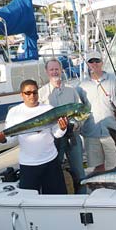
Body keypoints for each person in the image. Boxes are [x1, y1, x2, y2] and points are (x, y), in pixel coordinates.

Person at [0, 79, 68, 194]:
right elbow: (11, 139)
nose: (32, 96)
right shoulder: (14, 112)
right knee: (28, 199)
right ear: (21, 95)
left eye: (35, 92)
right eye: (28, 93)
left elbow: (56, 134)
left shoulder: (48, 109)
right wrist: (3, 139)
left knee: (56, 197)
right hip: (28, 164)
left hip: (50, 161)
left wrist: (62, 128)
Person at [77, 51, 116, 172]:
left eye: (97, 60)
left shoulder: (114, 79)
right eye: (91, 61)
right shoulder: (81, 86)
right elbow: (78, 110)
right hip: (91, 133)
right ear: (87, 64)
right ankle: (100, 190)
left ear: (102, 62)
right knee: (97, 167)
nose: (94, 63)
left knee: (115, 166)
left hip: (112, 132)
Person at [39, 58, 86, 194]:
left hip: (72, 135)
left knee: (78, 169)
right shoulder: (42, 93)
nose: (54, 72)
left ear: (61, 70)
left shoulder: (71, 90)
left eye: (56, 69)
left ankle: (82, 197)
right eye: (51, 69)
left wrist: (76, 125)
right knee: (55, 170)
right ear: (47, 72)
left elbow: (80, 112)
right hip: (53, 139)